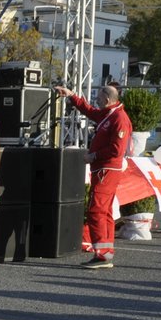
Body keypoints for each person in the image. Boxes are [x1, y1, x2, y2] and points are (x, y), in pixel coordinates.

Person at [53, 80, 131, 269]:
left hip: (107, 170)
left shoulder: (119, 118)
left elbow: (117, 149)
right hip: (103, 169)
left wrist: (93, 155)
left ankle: (102, 254)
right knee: (104, 212)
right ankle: (105, 252)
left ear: (106, 98)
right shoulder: (109, 114)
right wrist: (71, 95)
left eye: (98, 98)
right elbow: (89, 111)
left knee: (96, 210)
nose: (96, 101)